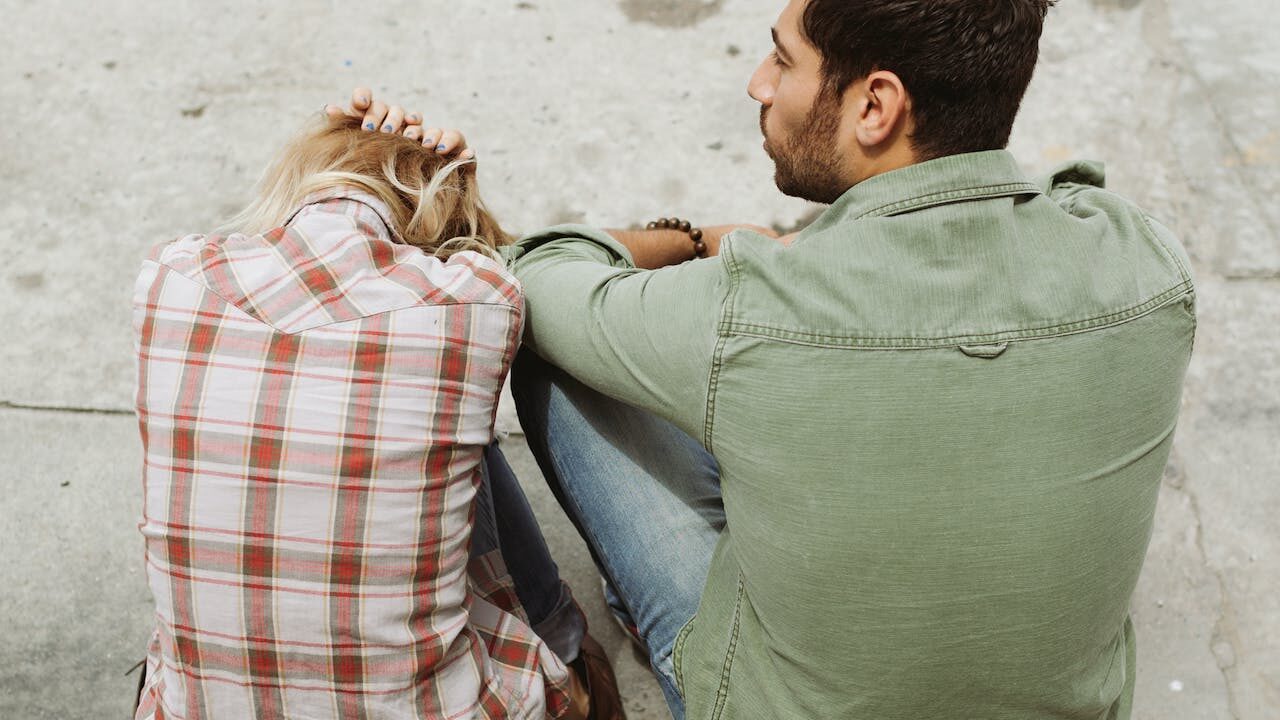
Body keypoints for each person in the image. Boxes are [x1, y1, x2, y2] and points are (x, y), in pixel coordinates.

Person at [346, 0, 1196, 717]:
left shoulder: (754, 305)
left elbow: (532, 273)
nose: (759, 83)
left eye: (783, 60)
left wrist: (695, 241)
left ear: (875, 106)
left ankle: (631, 633)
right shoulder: (1146, 264)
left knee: (565, 355)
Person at [131, 114, 624, 719]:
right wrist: (451, 182)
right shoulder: (475, 303)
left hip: (195, 708)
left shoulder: (171, 278)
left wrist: (335, 143)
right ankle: (576, 669)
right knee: (447, 429)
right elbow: (505, 266)